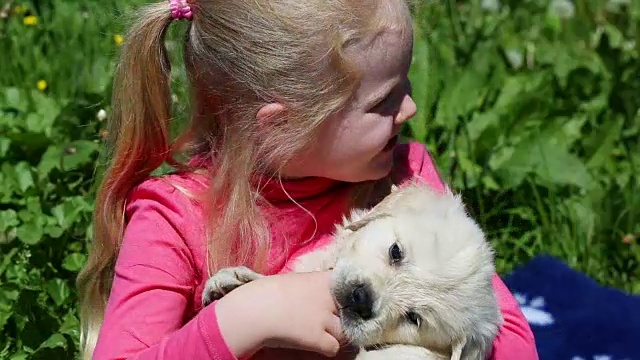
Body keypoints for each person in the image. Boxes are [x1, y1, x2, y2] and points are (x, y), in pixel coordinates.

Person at [76, 0, 538, 359]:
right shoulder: (174, 217)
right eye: (383, 101)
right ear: (279, 125)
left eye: (406, 84)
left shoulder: (406, 179)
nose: (411, 109)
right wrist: (244, 318)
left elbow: (509, 341)